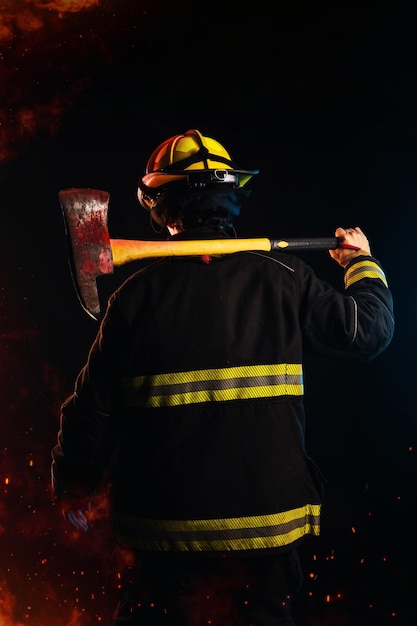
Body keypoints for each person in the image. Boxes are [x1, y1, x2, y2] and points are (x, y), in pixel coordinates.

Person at [51, 129, 395, 626]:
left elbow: (92, 413)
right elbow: (370, 331)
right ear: (232, 197)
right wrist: (361, 263)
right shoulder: (286, 278)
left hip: (162, 546)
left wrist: (73, 488)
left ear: (160, 205)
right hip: (265, 544)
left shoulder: (134, 299)